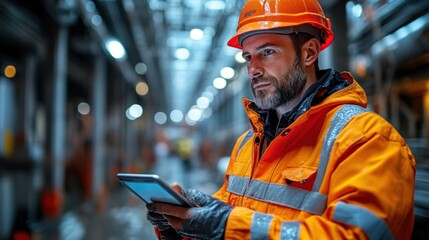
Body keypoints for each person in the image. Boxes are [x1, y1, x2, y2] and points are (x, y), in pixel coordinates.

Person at [146, 0, 416, 239]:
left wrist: (229, 226)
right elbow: (225, 228)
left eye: (267, 52)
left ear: (309, 53)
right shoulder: (247, 144)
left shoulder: (368, 140)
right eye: (248, 56)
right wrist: (180, 226)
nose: (253, 69)